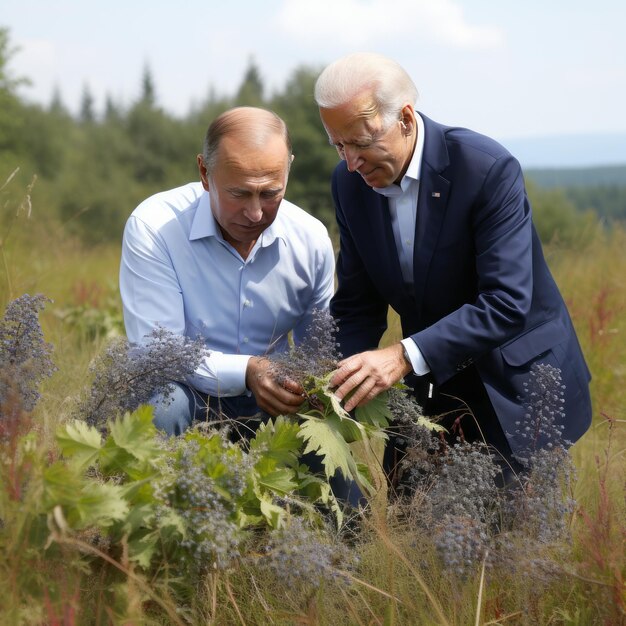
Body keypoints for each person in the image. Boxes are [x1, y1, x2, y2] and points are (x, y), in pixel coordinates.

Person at [314, 53, 592, 484]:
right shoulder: (348, 185)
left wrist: (402, 355)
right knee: (411, 523)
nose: (351, 162)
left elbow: (505, 303)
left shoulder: (486, 169)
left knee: (504, 541)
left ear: (405, 118)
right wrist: (331, 379)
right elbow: (356, 304)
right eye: (339, 145)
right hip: (428, 378)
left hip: (514, 384)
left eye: (362, 142)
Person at [119, 106, 335, 437]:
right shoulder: (155, 227)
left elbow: (317, 355)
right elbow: (158, 357)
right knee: (163, 403)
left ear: (288, 168)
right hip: (187, 397)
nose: (255, 212)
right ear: (205, 173)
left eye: (271, 193)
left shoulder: (311, 239)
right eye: (239, 193)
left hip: (275, 409)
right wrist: (247, 371)